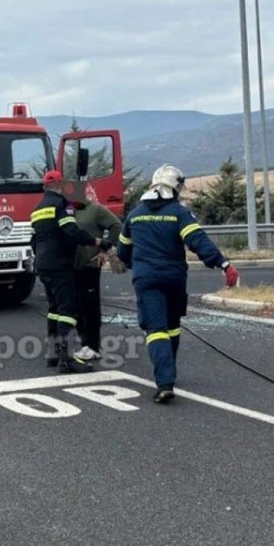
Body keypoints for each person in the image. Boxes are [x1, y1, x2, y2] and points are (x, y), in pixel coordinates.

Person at [116, 164, 239, 403]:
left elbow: (122, 251)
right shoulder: (179, 213)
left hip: (146, 279)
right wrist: (223, 264)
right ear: (176, 187)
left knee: (156, 330)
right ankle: (168, 372)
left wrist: (137, 265)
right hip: (173, 278)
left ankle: (165, 382)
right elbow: (198, 241)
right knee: (172, 326)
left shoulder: (135, 214)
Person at [30, 170, 112, 374]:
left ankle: (53, 354)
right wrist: (98, 241)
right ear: (60, 185)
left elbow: (33, 240)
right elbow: (71, 232)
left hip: (43, 265)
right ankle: (66, 359)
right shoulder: (62, 205)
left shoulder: (37, 209)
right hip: (60, 265)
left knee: (54, 309)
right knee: (68, 311)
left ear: (44, 186)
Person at [72, 194, 122, 361]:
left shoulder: (96, 210)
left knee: (90, 307)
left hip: (90, 265)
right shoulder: (68, 211)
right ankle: (84, 343)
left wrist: (104, 250)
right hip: (71, 266)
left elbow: (117, 226)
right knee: (77, 306)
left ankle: (93, 346)